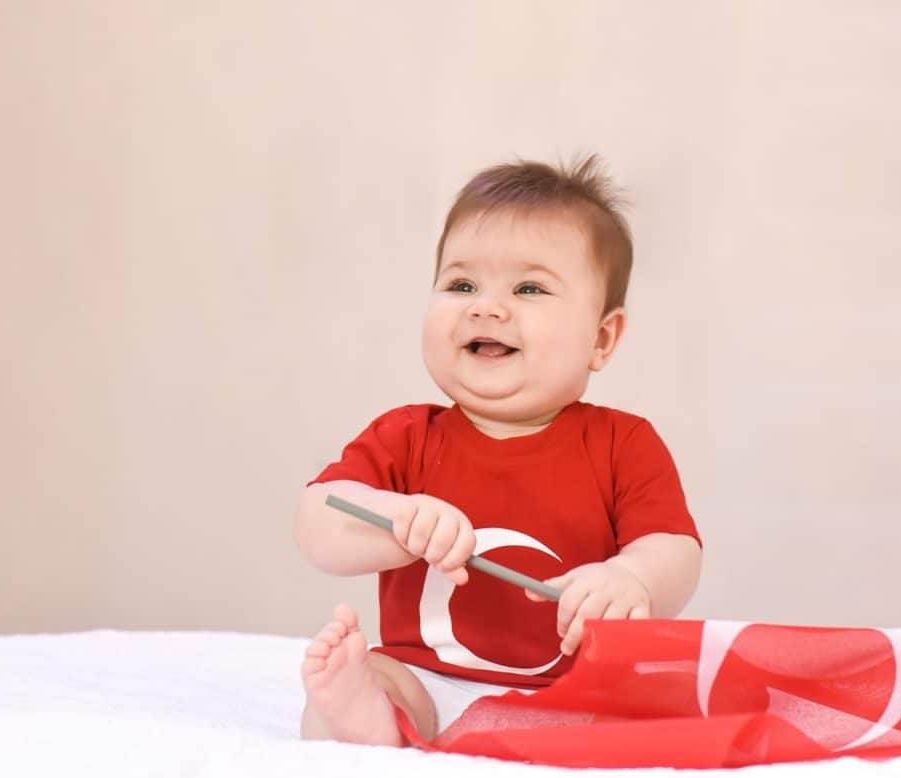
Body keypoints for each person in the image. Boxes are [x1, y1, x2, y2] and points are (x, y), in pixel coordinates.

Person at [293, 155, 703, 746]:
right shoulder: (405, 437)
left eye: (529, 287)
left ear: (602, 337)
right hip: (427, 674)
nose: (485, 306)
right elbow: (318, 520)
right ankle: (360, 714)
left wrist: (631, 578)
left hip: (576, 685)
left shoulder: (624, 444)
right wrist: (395, 519)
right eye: (461, 284)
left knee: (641, 712)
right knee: (385, 678)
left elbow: (674, 547)